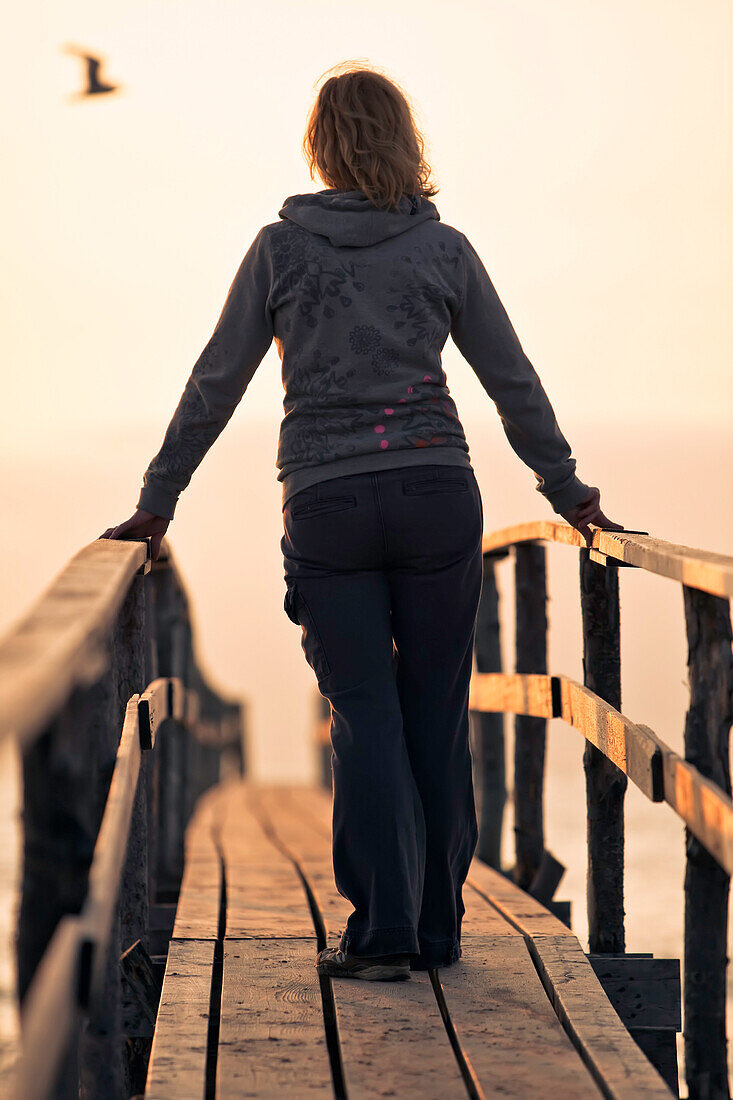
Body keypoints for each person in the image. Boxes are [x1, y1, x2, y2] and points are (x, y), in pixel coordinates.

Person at [102, 64, 622, 982]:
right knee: (435, 711)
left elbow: (214, 382)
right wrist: (567, 492)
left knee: (363, 715)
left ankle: (380, 931)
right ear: (403, 141)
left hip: (328, 502)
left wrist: (158, 499)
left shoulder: (280, 249)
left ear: (320, 144)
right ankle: (436, 926)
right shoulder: (444, 249)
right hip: (435, 493)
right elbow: (511, 380)